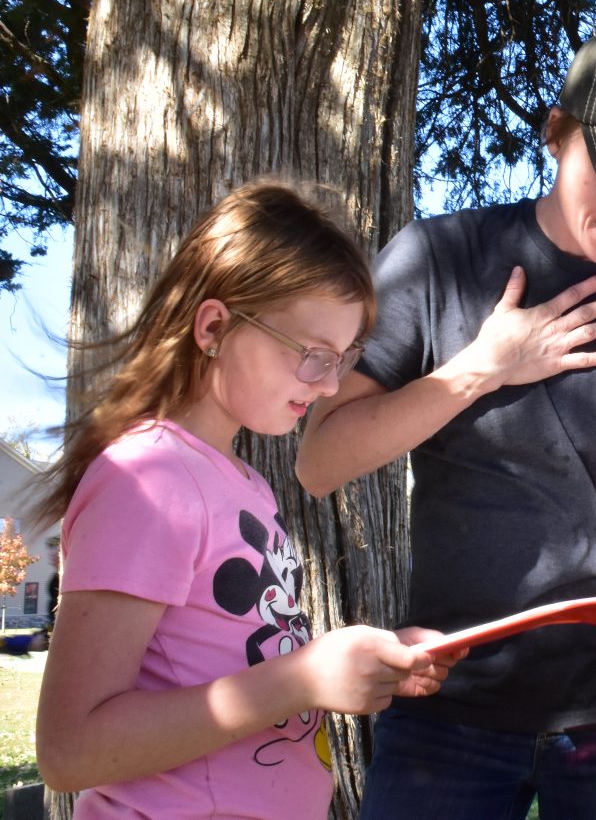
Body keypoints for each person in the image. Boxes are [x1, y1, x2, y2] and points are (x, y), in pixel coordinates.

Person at [296, 23, 596, 820]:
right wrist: (481, 369)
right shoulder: (436, 259)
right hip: (444, 707)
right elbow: (320, 460)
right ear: (556, 132)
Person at [32, 182, 459, 820]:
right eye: (314, 355)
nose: (331, 385)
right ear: (214, 327)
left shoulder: (240, 483)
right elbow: (71, 749)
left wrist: (366, 659)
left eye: (345, 358)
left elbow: (237, 657)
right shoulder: (146, 481)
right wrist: (304, 679)